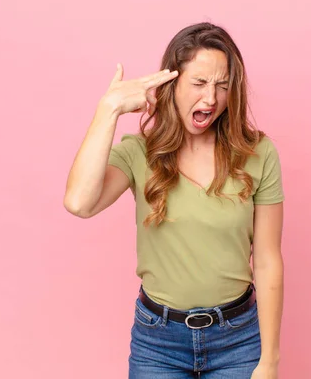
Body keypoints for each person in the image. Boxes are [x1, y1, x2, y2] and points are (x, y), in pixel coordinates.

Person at [64, 22, 284, 379]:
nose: (211, 98)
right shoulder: (139, 153)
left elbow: (269, 261)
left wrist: (269, 361)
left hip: (238, 341)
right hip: (159, 343)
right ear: (172, 83)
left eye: (222, 85)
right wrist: (110, 109)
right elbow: (79, 202)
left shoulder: (258, 153)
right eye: (199, 83)